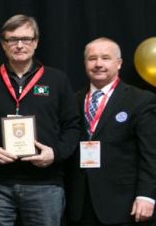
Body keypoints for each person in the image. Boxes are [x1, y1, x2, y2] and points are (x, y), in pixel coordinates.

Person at [0, 14, 81, 226]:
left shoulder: (57, 80)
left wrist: (55, 154)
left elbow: (72, 127)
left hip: (45, 183)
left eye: (26, 39)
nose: (19, 45)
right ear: (3, 44)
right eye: (12, 39)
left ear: (36, 42)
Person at [65, 37, 156, 226]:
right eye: (92, 58)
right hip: (80, 204)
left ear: (119, 63)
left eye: (106, 58)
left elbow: (151, 154)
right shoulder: (72, 100)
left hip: (123, 204)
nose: (98, 64)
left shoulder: (141, 100)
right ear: (85, 63)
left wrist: (147, 195)